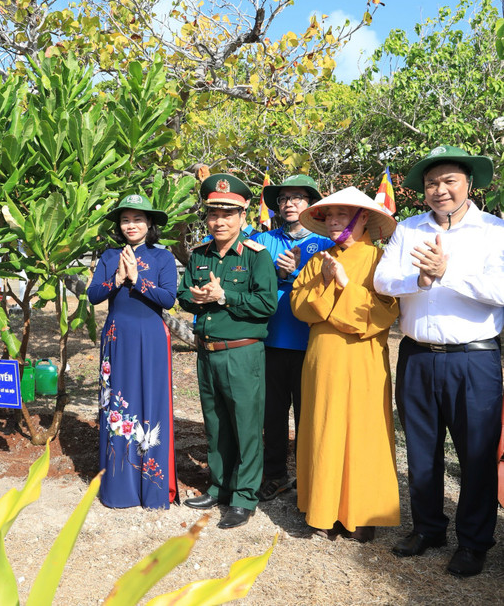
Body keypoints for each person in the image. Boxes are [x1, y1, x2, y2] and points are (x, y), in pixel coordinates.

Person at [374, 145, 504, 577]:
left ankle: (473, 542)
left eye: (449, 181)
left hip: (474, 359)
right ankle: (429, 529)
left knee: (476, 454)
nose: (440, 189)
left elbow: (500, 290)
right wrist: (421, 278)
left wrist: (448, 274)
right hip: (417, 356)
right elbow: (383, 279)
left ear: (469, 183)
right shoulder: (407, 229)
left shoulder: (493, 230)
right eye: (432, 183)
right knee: (421, 450)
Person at [290, 186, 399, 543]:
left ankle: (361, 514)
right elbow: (300, 307)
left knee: (361, 432)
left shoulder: (381, 259)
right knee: (324, 428)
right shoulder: (318, 259)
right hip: (322, 359)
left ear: (363, 217)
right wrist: (324, 282)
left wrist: (344, 284)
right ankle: (322, 508)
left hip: (362, 359)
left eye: (342, 215)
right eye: (329, 216)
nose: (334, 222)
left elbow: (383, 314)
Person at [177, 173, 277, 528]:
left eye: (228, 214)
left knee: (246, 425)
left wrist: (224, 296)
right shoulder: (200, 254)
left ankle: (244, 497)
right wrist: (196, 297)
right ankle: (219, 486)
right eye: (213, 214)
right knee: (216, 424)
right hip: (206, 352)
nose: (219, 221)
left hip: (242, 352)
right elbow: (183, 293)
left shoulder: (255, 256)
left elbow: (267, 304)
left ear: (242, 217)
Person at [87, 194, 178, 508]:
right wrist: (117, 279)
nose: (131, 225)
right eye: (126, 220)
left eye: (138, 219)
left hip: (150, 338)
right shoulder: (109, 256)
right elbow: (93, 295)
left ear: (149, 223)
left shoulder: (162, 257)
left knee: (150, 403)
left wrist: (138, 280)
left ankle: (151, 487)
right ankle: (119, 487)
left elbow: (168, 300)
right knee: (116, 406)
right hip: (117, 338)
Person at [251, 175, 333, 502]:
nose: (289, 204)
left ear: (311, 205)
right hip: (270, 341)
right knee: (272, 414)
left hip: (310, 343)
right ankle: (275, 475)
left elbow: (330, 290)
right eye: (284, 198)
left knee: (308, 415)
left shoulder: (326, 243)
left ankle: (308, 476)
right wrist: (277, 274)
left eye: (298, 197)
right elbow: (252, 284)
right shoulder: (262, 240)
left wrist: (298, 273)